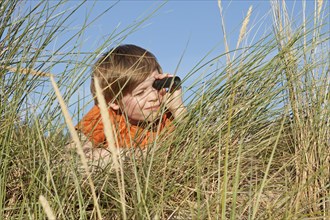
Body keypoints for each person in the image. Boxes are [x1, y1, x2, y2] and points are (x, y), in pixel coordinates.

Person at [74, 44, 186, 166]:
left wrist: (177, 108)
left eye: (156, 85)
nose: (154, 97)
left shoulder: (168, 115)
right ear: (114, 102)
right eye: (141, 92)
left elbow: (198, 146)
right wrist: (141, 155)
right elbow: (73, 154)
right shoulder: (106, 115)